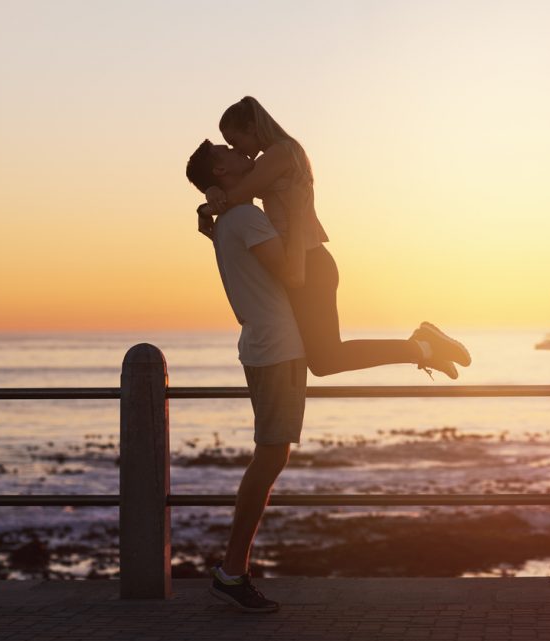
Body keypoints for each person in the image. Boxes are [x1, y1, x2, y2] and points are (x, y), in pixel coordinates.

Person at [197, 96, 470, 380]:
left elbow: (237, 195)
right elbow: (231, 188)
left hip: (310, 263)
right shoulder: (277, 156)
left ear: (253, 128)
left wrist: (206, 206)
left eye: (235, 141)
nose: (239, 150)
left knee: (327, 358)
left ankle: (423, 346)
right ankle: (424, 348)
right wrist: (209, 194)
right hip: (305, 259)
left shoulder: (279, 154)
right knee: (323, 361)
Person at [186, 139, 307, 613]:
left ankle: (233, 569)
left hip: (264, 345)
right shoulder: (246, 220)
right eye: (231, 151)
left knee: (270, 457)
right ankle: (232, 571)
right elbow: (293, 275)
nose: (243, 152)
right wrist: (296, 214)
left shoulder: (228, 220)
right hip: (277, 347)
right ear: (222, 169)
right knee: (270, 458)